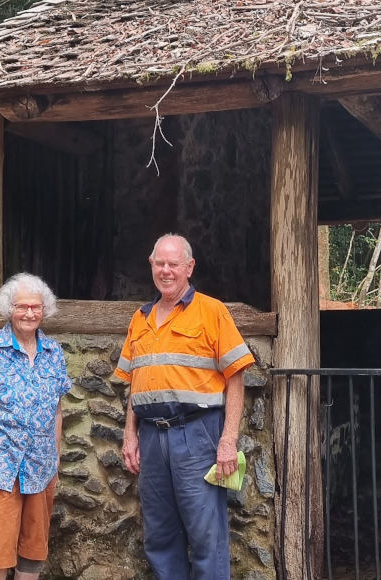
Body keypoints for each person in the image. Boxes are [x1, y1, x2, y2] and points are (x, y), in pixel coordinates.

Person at [113, 234, 255, 580]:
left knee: (205, 533)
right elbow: (137, 382)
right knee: (159, 534)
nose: (165, 270)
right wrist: (129, 434)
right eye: (159, 263)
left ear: (188, 268)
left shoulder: (212, 311)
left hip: (197, 433)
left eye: (173, 264)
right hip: (151, 437)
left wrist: (227, 440)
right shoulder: (140, 318)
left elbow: (235, 378)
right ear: (151, 266)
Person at [0, 273, 71, 580]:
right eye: (22, 306)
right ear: (9, 309)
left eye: (36, 307)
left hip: (40, 468)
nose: (29, 313)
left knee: (33, 551)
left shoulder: (53, 353)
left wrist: (55, 457)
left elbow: (57, 410)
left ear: (45, 310)